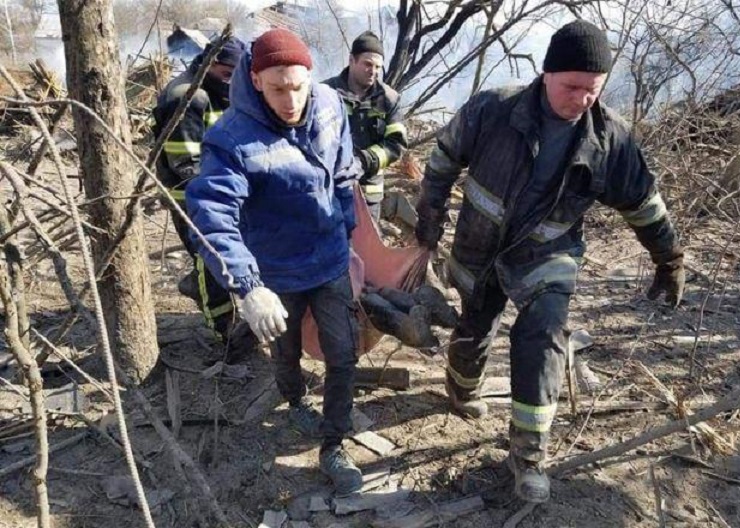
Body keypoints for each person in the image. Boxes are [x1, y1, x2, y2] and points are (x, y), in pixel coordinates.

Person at [414, 20, 685, 504]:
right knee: (473, 331)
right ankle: (461, 389)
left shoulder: (611, 141)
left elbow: (644, 204)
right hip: (479, 247)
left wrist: (669, 260)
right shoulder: (493, 109)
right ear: (546, 74)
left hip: (548, 255)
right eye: (571, 86)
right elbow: (443, 157)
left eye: (592, 89)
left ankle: (528, 453)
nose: (581, 98)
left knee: (542, 334)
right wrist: (431, 211)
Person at [185, 29, 364, 496]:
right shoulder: (230, 139)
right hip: (276, 270)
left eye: (298, 87)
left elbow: (343, 174)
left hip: (328, 259)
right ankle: (295, 398)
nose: (291, 101)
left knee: (344, 352)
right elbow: (211, 216)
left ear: (310, 79)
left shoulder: (329, 103)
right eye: (278, 88)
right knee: (285, 349)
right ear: (256, 79)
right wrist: (247, 285)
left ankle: (333, 444)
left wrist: (349, 238)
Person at [153, 36, 247, 341]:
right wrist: (222, 193)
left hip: (221, 190)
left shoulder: (224, 90)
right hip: (190, 194)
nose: (233, 79)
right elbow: (185, 164)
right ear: (211, 63)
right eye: (227, 72)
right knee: (210, 257)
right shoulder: (189, 96)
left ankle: (199, 286)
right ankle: (223, 328)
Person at [324, 31, 407, 220]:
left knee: (366, 249)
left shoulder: (389, 99)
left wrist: (363, 161)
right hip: (330, 193)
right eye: (368, 64)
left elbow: (396, 144)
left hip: (369, 197)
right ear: (352, 60)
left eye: (378, 67)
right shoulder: (326, 93)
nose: (373, 71)